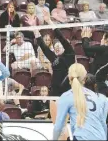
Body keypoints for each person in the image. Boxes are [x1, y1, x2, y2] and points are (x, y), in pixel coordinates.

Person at [34, 11, 75, 140]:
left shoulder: (70, 54)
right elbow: (44, 47)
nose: (57, 48)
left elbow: (61, 37)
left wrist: (50, 21)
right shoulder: (55, 59)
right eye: (55, 46)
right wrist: (34, 28)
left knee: (67, 122)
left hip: (68, 92)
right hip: (55, 92)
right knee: (57, 124)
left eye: (59, 46)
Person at [53, 63, 108, 140]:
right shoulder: (99, 97)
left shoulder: (67, 96)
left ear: (69, 77)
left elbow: (58, 126)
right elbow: (103, 124)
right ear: (85, 78)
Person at [81, 26, 108, 97]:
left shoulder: (106, 48)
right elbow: (88, 53)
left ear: (106, 40)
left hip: (97, 87)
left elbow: (87, 47)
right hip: (100, 85)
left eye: (102, 38)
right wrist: (84, 38)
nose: (101, 40)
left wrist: (86, 37)